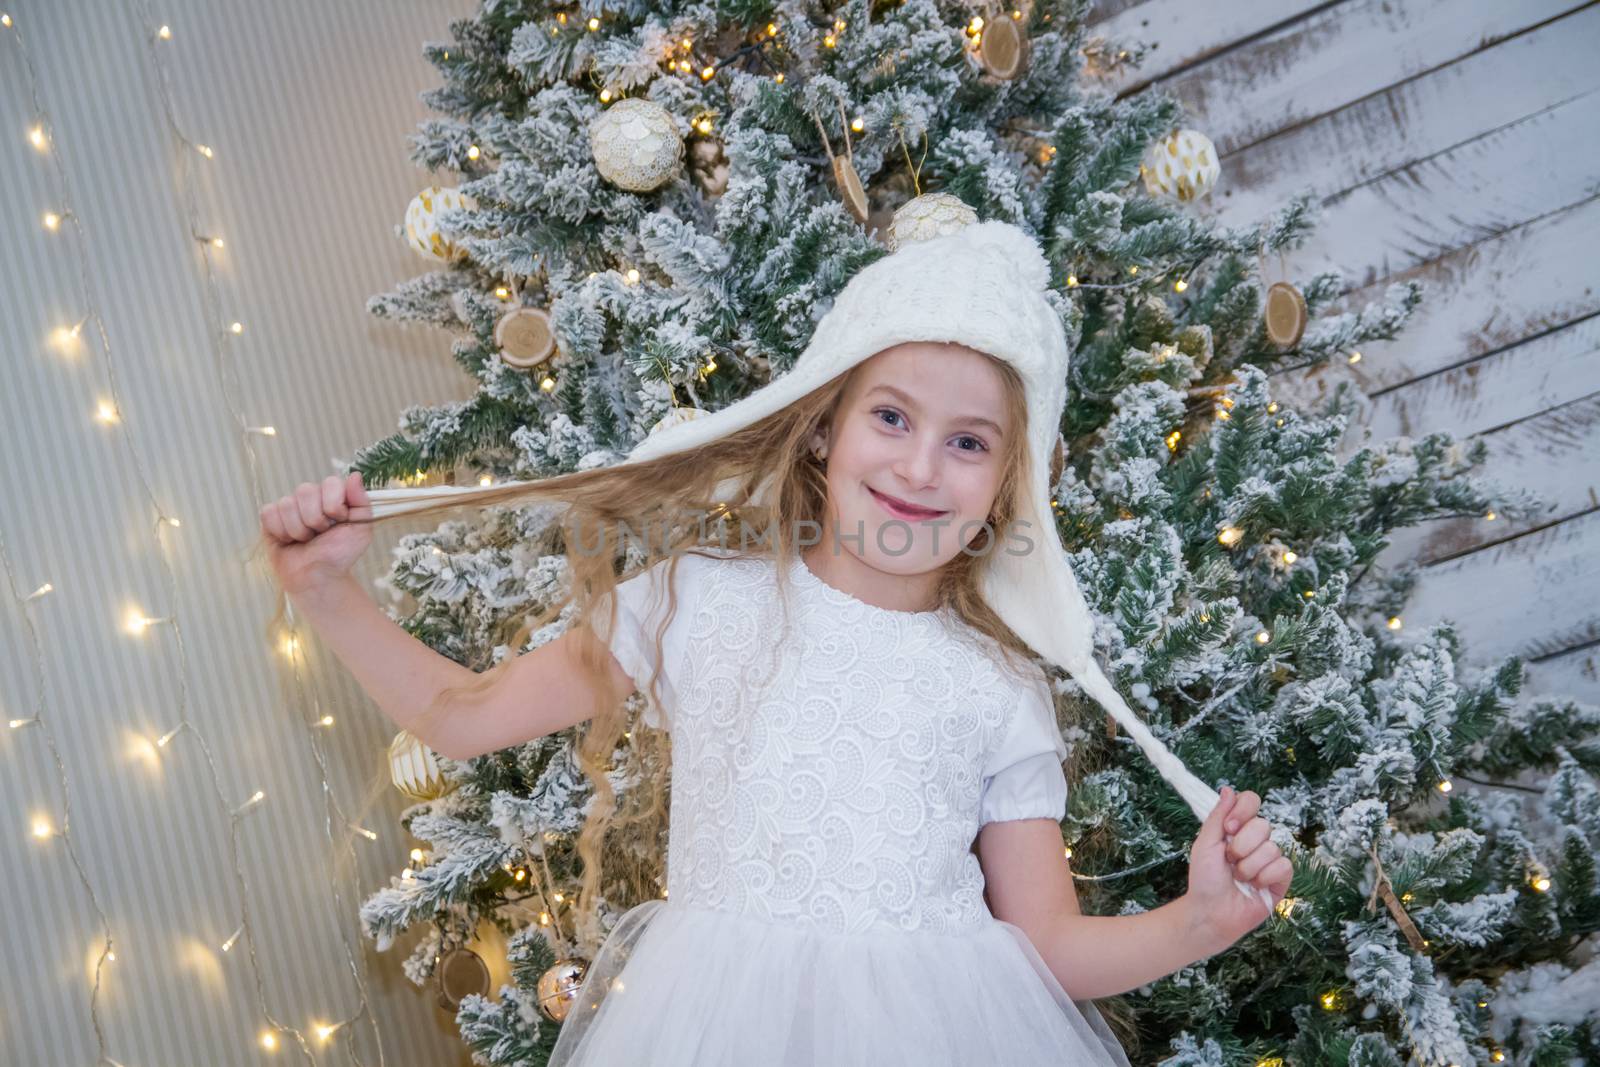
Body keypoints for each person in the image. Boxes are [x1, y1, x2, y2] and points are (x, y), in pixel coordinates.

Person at [259, 219, 1291, 1065]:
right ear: (821, 428)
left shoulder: (998, 683)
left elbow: (1048, 945)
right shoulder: (696, 601)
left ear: (1006, 484)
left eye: (968, 441)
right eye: (891, 416)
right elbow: (465, 716)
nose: (922, 466)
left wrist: (1197, 920)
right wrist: (326, 590)